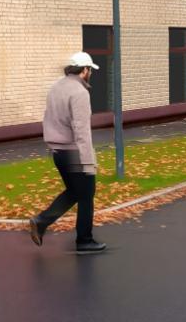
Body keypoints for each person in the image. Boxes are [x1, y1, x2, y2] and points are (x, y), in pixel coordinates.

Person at [28, 52, 107, 254]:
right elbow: (82, 131)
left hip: (57, 152)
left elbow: (48, 118)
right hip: (74, 152)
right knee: (86, 194)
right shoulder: (80, 93)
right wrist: (88, 162)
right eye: (90, 70)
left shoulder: (56, 87)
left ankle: (41, 221)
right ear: (84, 70)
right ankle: (84, 240)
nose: (90, 74)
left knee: (74, 191)